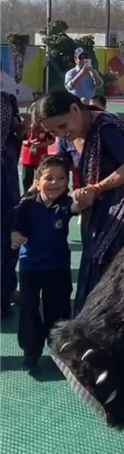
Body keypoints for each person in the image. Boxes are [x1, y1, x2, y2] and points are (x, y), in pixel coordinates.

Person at [34, 91, 124, 313]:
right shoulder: (66, 137)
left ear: (75, 109)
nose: (61, 134)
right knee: (93, 257)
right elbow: (57, 167)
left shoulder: (107, 128)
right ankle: (92, 317)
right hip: (99, 202)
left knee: (118, 259)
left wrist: (96, 189)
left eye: (62, 126)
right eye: (53, 131)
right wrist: (35, 193)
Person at [10, 156, 80, 372]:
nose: (55, 182)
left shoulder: (65, 204)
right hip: (30, 266)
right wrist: (15, 237)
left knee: (58, 310)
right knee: (29, 310)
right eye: (49, 178)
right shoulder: (27, 205)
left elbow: (76, 207)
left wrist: (82, 198)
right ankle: (31, 351)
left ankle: (59, 349)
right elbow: (16, 228)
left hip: (57, 266)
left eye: (61, 178)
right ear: (37, 182)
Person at [0, 84, 21, 316]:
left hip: (7, 179)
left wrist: (26, 128)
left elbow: (18, 132)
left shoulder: (8, 100)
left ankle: (5, 292)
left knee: (9, 235)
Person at [20, 105, 53, 193]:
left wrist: (42, 144)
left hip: (41, 156)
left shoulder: (45, 125)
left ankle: (40, 195)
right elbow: (21, 139)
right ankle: (27, 196)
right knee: (26, 180)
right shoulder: (26, 125)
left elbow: (52, 140)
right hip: (28, 156)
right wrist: (27, 143)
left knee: (41, 178)